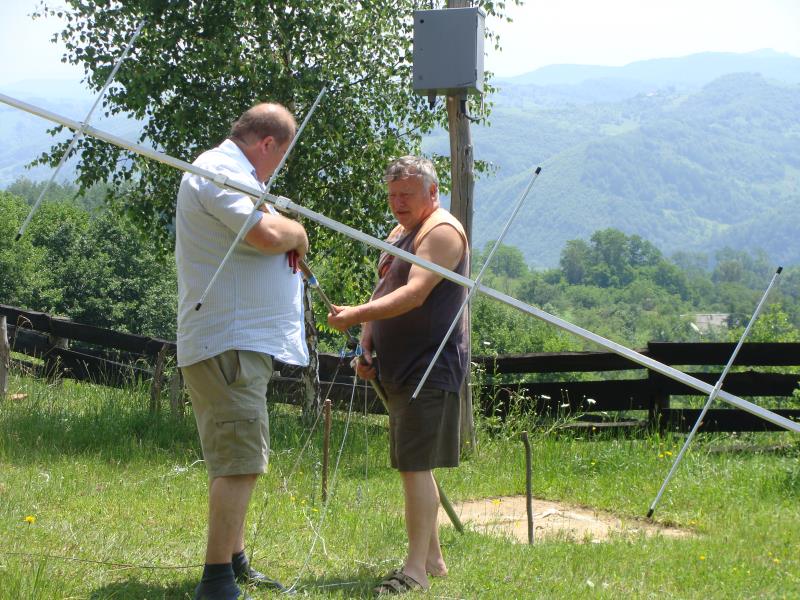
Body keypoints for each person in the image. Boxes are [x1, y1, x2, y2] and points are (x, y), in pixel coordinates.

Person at [176, 102, 309, 600]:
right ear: (267, 143)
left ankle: (234, 561)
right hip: (228, 341)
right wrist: (297, 231)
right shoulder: (218, 171)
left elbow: (262, 231)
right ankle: (216, 581)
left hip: (236, 342)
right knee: (240, 462)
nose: (276, 170)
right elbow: (266, 233)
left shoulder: (236, 177)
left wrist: (280, 225)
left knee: (237, 454)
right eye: (281, 156)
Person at [327, 155, 469, 595]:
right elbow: (384, 288)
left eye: (406, 194)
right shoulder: (398, 233)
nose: (397, 203)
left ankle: (414, 571)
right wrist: (367, 341)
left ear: (432, 191)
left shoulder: (440, 232)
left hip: (430, 365)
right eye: (391, 195)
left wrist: (354, 315)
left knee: (413, 465)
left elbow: (414, 293)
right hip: (397, 365)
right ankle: (433, 560)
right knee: (415, 463)